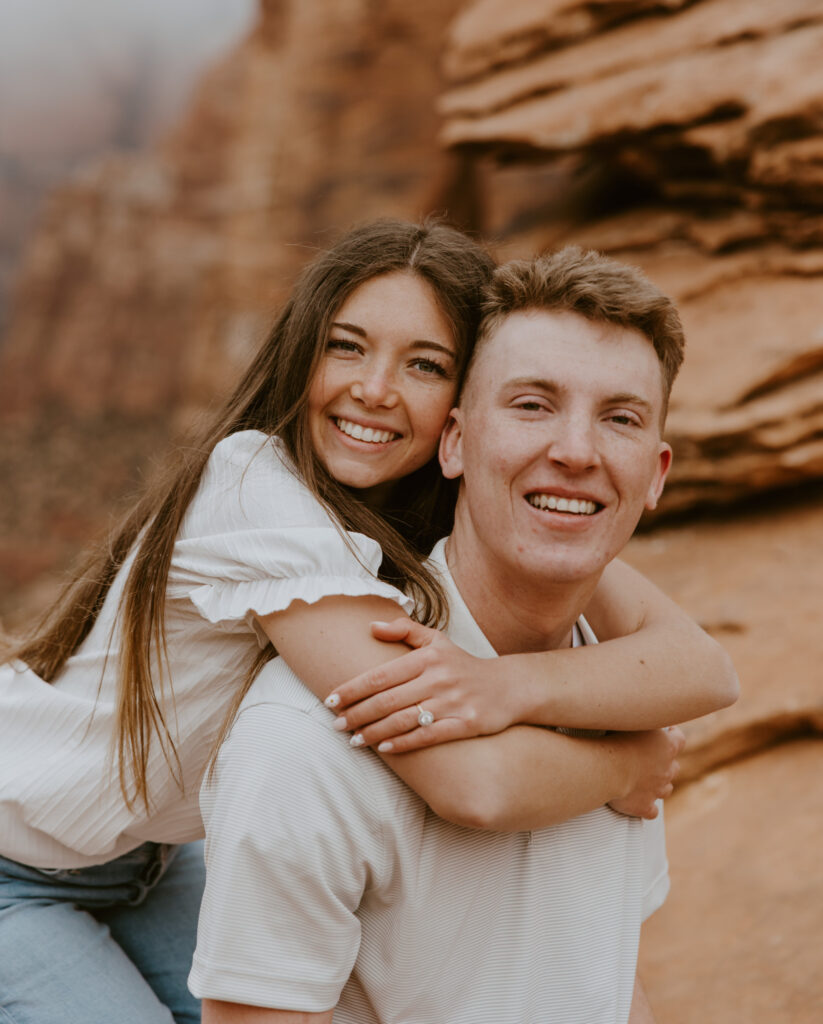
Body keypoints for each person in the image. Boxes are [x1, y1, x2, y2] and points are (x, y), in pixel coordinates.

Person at [0, 220, 734, 1024]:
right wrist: (623, 770)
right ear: (299, 354)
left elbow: (699, 668)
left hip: (151, 857)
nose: (376, 389)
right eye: (345, 347)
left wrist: (505, 684)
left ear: (459, 416)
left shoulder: (453, 504)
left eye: (424, 364)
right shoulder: (252, 488)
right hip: (14, 864)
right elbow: (466, 779)